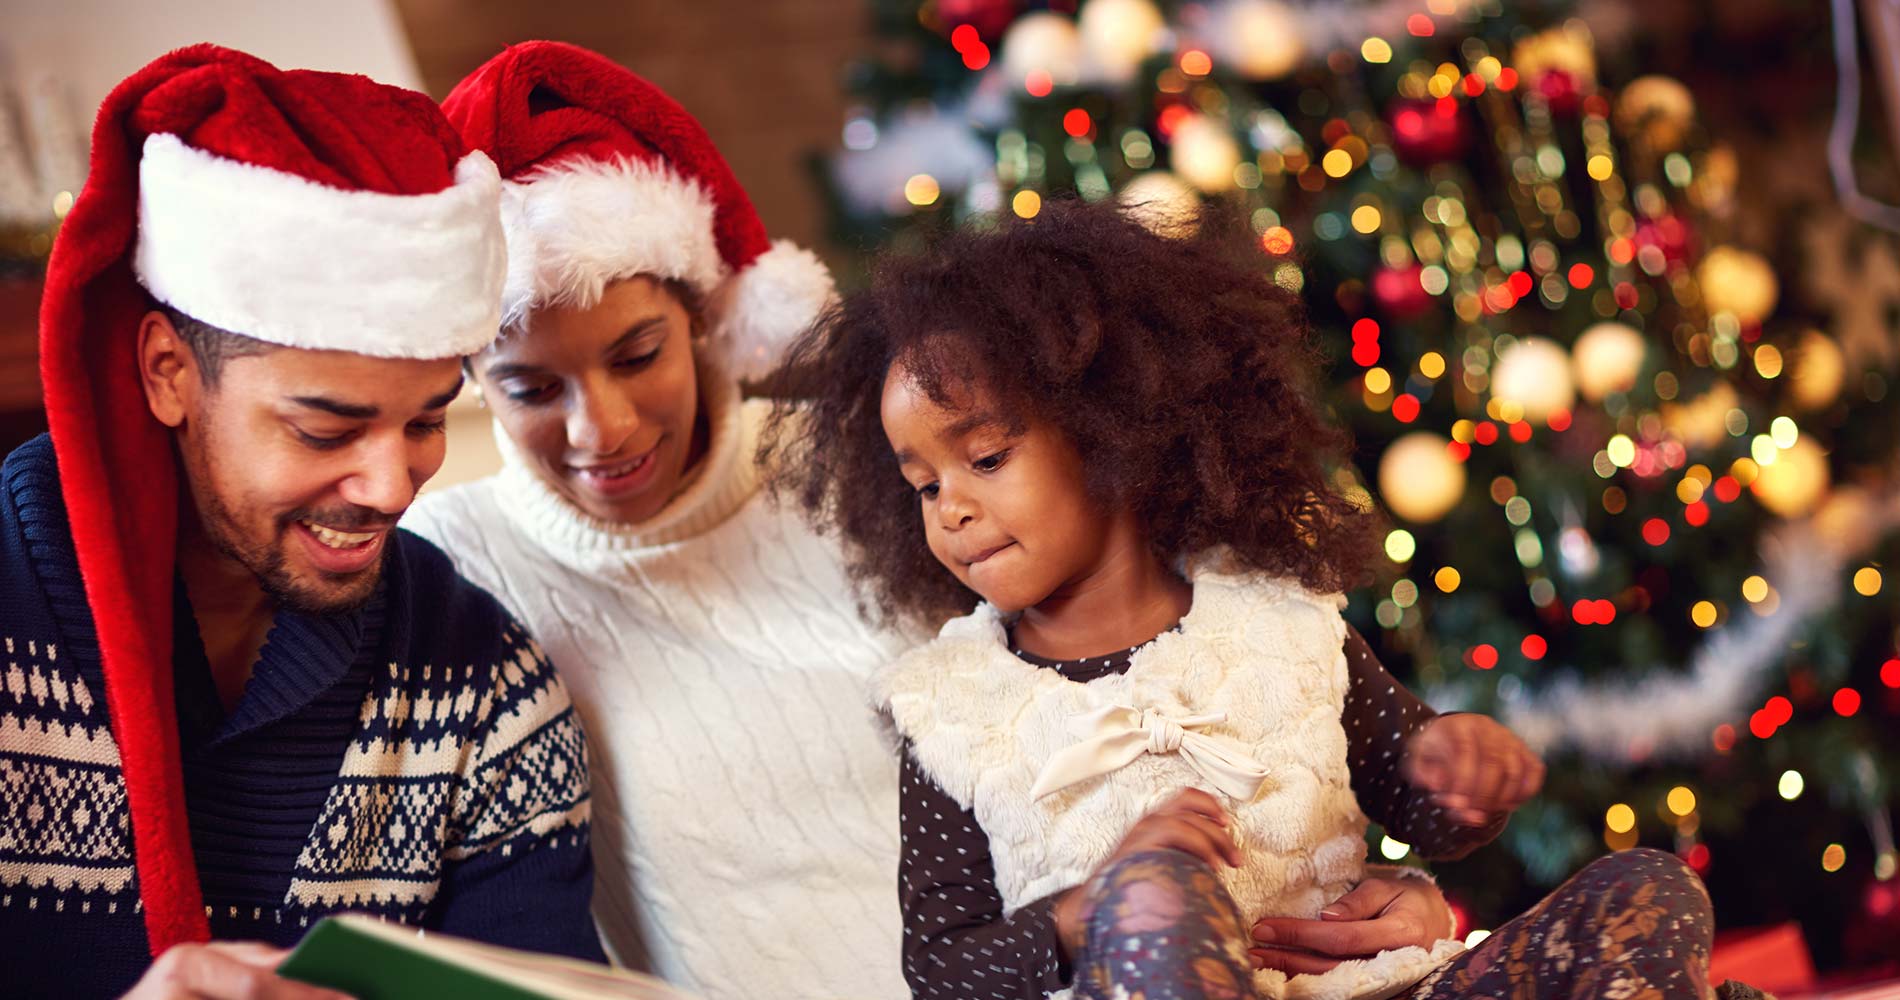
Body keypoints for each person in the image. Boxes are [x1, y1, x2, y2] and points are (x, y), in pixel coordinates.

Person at [405, 41, 1493, 1000]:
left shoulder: (871, 469)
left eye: (638, 353)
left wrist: (1381, 888)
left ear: (702, 314)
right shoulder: (455, 577)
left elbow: (1224, 705)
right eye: (526, 386)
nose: (601, 426)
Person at [768, 199, 1720, 1000]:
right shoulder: (947, 709)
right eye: (924, 485)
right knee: (1156, 895)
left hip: (1374, 990)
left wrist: (1458, 771)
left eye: (984, 458)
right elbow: (940, 970)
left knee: (1651, 892)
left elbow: (1415, 799)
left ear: (1115, 432)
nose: (953, 508)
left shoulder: (1280, 620)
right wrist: (1082, 914)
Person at [0, 45, 604, 999]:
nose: (390, 486)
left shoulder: (482, 683)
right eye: (326, 428)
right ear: (168, 372)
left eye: (424, 420)